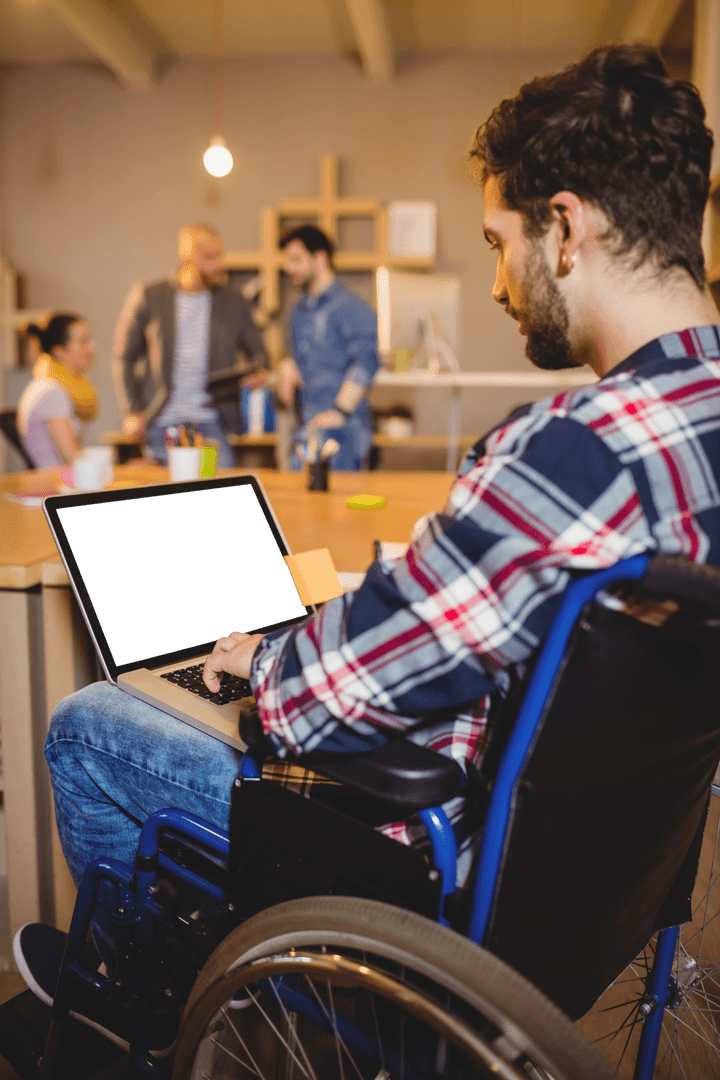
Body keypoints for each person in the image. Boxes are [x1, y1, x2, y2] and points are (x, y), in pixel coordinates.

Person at [17, 44, 720, 1049]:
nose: (493, 285)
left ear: (565, 229)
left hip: (442, 876)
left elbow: (316, 705)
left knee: (89, 722)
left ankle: (136, 1003)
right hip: (611, 887)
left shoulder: (566, 454)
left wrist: (263, 659)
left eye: (495, 241)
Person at [113, 223, 268, 467]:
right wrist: (132, 411)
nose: (219, 264)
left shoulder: (234, 302)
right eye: (209, 257)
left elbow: (260, 355)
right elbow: (124, 357)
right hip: (160, 418)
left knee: (223, 486)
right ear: (183, 259)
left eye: (220, 255)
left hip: (210, 420)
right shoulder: (149, 296)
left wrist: (258, 374)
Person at [278, 225, 380, 470]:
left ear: (320, 258)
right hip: (308, 426)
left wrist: (340, 412)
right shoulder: (299, 311)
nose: (289, 268)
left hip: (342, 430)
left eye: (295, 260)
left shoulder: (351, 308)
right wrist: (288, 366)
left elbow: (366, 362)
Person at [17, 314, 97, 467]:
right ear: (60, 352)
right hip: (57, 487)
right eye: (83, 342)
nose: (92, 347)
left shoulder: (51, 386)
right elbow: (75, 461)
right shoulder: (52, 392)